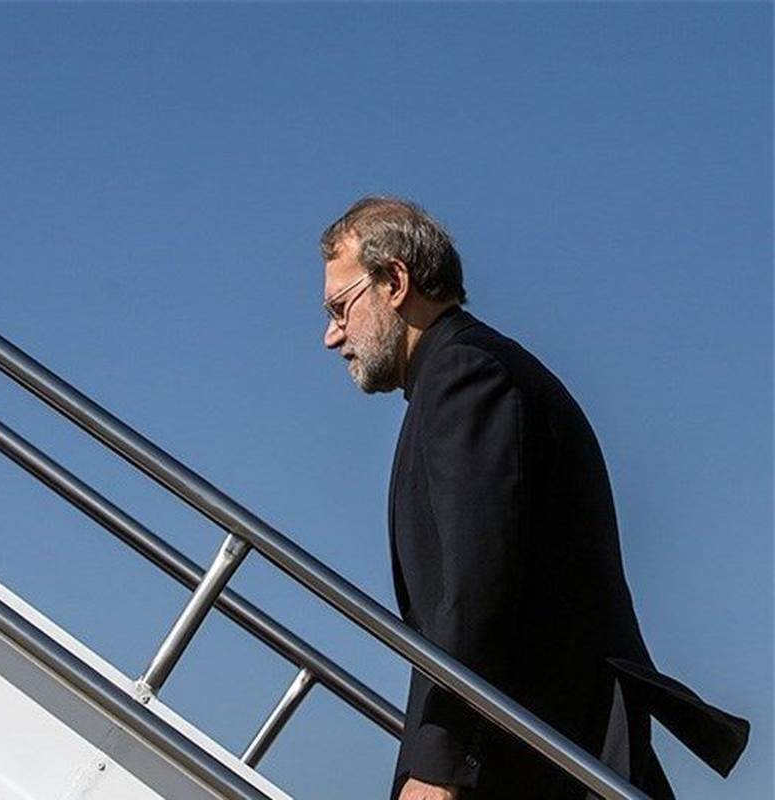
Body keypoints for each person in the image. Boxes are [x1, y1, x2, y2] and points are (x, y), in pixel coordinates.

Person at [319, 197, 749, 800]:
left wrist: (438, 764)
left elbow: (475, 587)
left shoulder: (467, 378)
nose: (332, 335)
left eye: (339, 307)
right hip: (537, 749)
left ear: (394, 281)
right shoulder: (456, 378)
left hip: (541, 756)